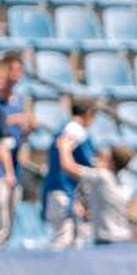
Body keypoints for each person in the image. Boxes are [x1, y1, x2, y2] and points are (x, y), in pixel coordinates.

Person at [41, 98, 98, 249]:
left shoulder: (63, 128)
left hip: (59, 190)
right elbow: (89, 165)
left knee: (63, 239)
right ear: (88, 113)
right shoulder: (76, 130)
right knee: (64, 241)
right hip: (66, 192)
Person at [0, 53, 31, 245]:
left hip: (13, 165)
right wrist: (13, 121)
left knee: (8, 226)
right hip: (3, 170)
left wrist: (27, 127)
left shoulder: (18, 100)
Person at [77, 146, 134, 245]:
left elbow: (69, 167)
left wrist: (64, 148)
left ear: (111, 162)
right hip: (124, 237)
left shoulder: (103, 176)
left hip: (108, 238)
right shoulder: (126, 184)